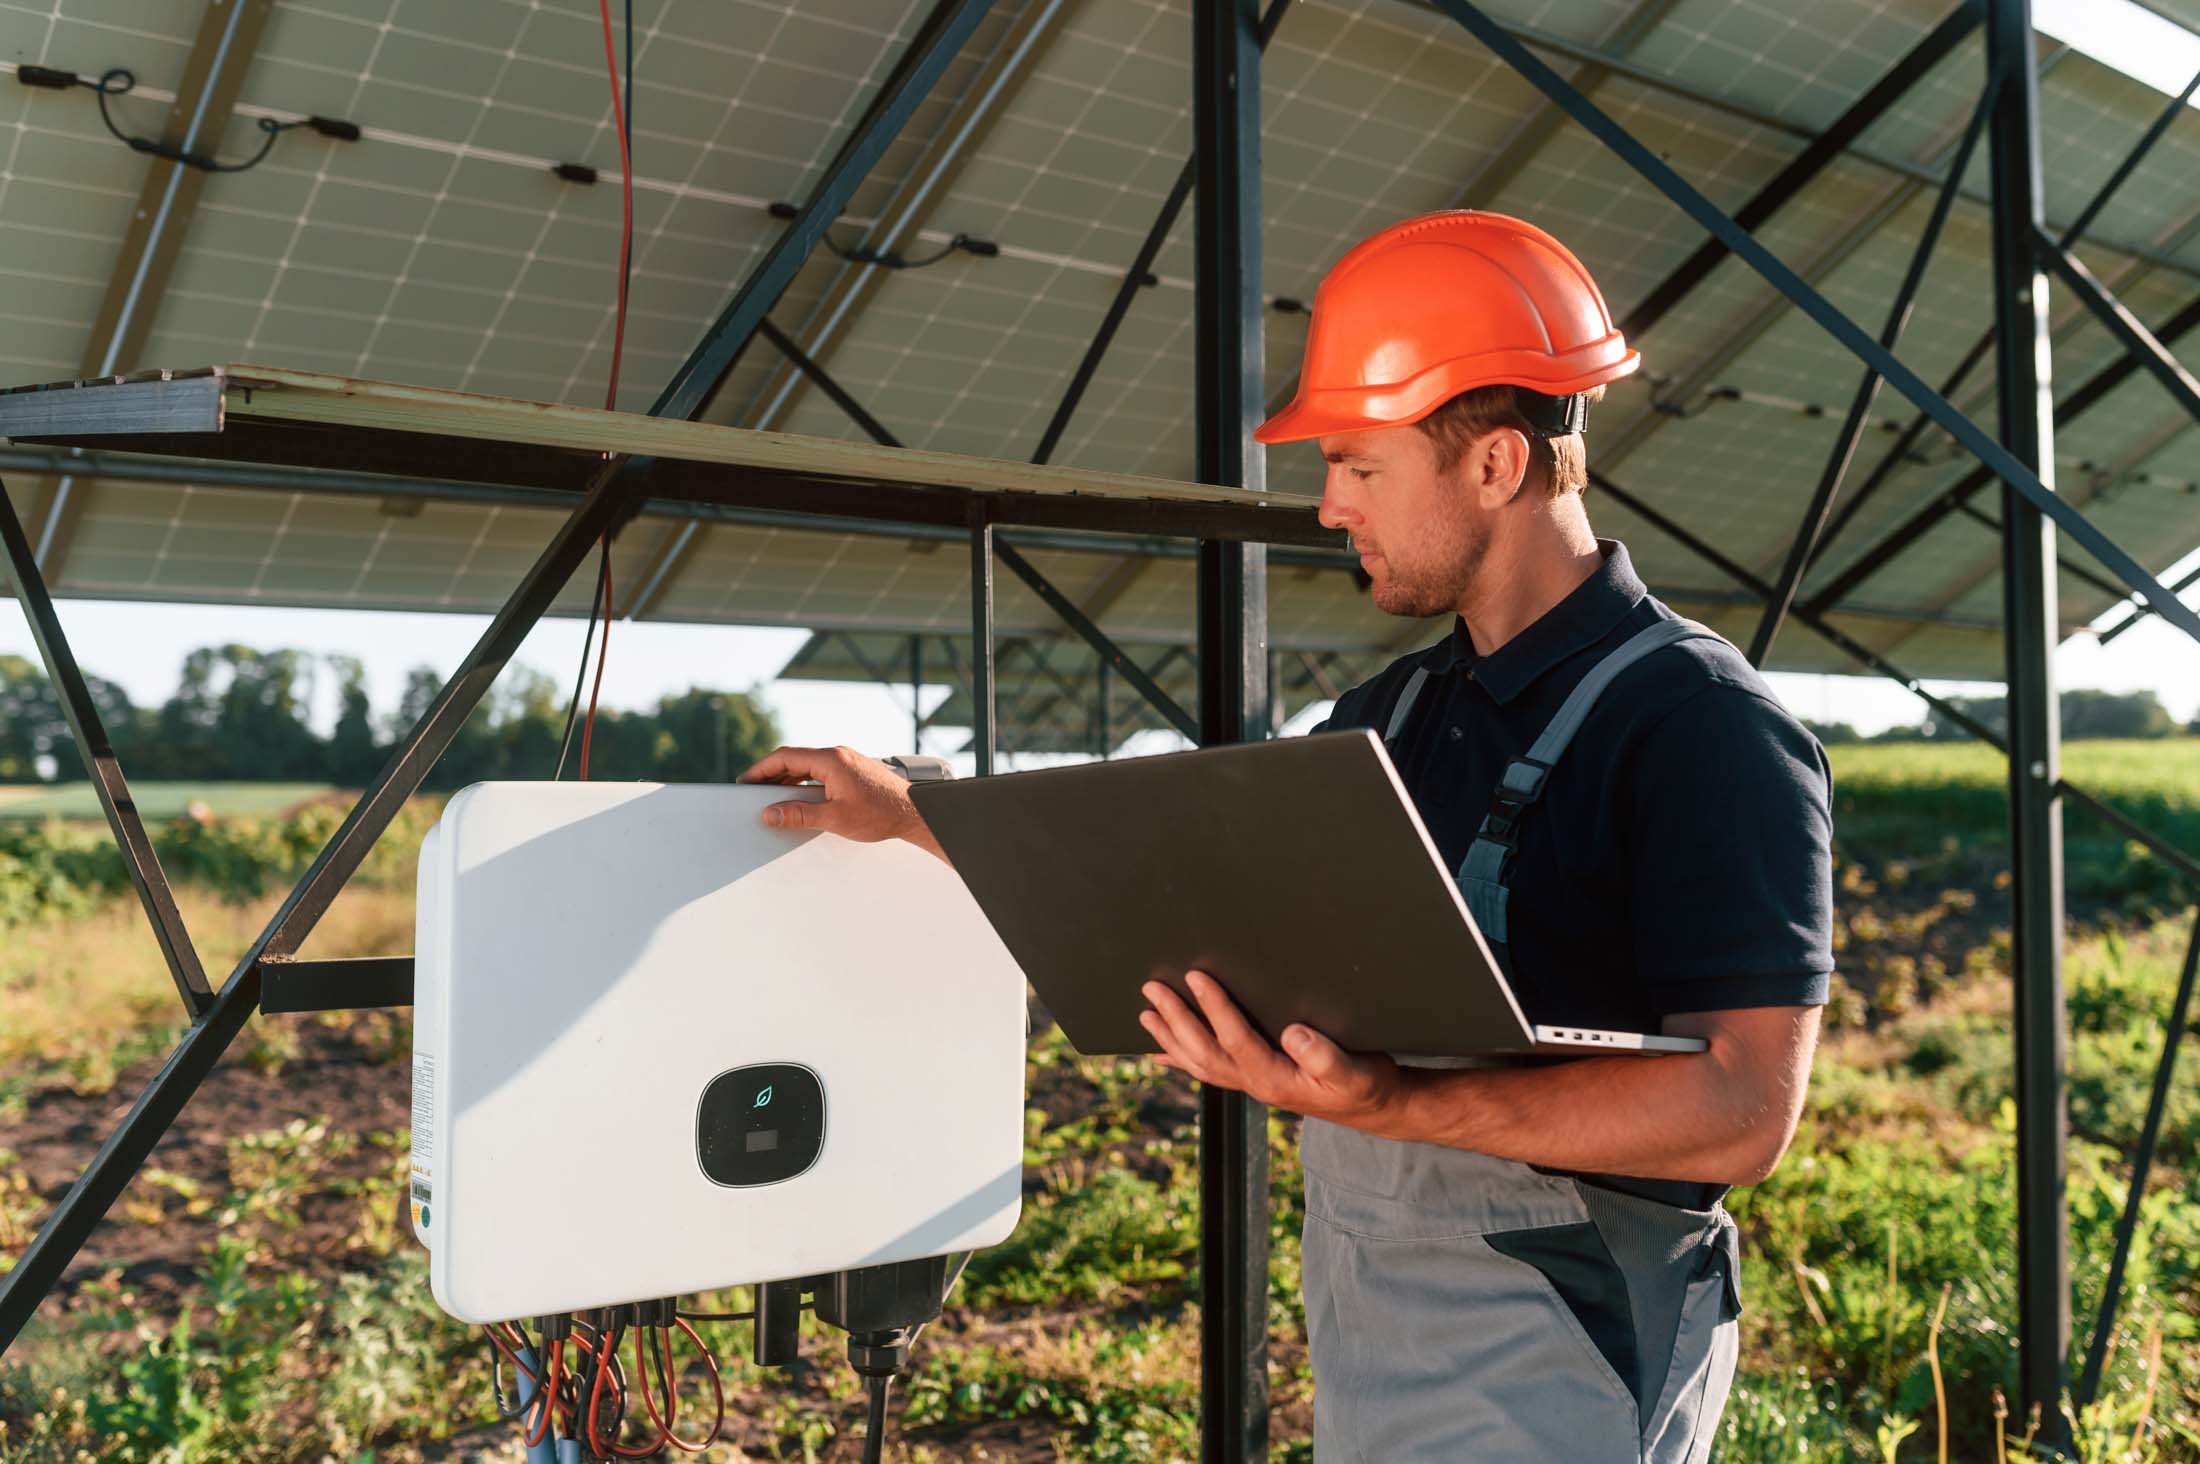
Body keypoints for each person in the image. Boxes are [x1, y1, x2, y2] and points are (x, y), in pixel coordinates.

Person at [739, 210, 1833, 1464]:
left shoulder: (1702, 726)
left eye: (1360, 468)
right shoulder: (1390, 714)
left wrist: (1405, 1104)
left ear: (1495, 465)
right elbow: (1177, 880)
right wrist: (913, 815)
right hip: (1375, 1311)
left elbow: (1742, 1109)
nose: (1326, 508)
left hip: (1570, 1335)